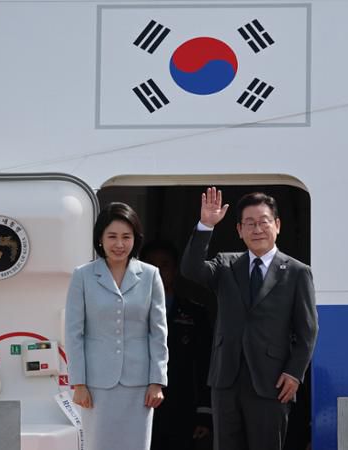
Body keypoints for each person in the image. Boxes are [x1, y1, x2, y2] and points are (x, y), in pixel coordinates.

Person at [180, 187, 318, 450]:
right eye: (249, 223)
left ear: (277, 225)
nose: (257, 229)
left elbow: (307, 330)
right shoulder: (226, 264)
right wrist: (206, 226)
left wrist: (294, 373)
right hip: (226, 379)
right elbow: (191, 269)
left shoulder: (297, 272)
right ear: (239, 230)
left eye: (264, 222)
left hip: (272, 381)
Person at [65, 202, 169, 450]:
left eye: (126, 237)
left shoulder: (151, 275)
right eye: (112, 236)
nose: (119, 244)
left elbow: (158, 332)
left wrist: (157, 381)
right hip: (96, 385)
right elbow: (74, 333)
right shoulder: (83, 275)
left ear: (136, 239)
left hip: (139, 385)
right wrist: (79, 383)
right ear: (100, 239)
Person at [140, 240, 213, 450]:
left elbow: (205, 363)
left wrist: (204, 411)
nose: (158, 271)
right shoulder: (127, 311)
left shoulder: (194, 313)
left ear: (175, 270)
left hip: (181, 405)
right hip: (139, 403)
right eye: (151, 265)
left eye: (165, 265)